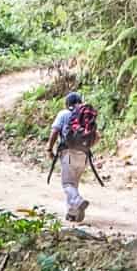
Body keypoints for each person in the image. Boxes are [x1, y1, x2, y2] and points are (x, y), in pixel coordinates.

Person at [47, 91, 98, 223]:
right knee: (73, 184)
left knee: (67, 184)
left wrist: (49, 149)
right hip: (84, 155)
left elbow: (54, 131)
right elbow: (97, 136)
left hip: (68, 153)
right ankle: (72, 213)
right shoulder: (86, 116)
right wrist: (85, 146)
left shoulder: (63, 114)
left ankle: (78, 201)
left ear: (67, 103)